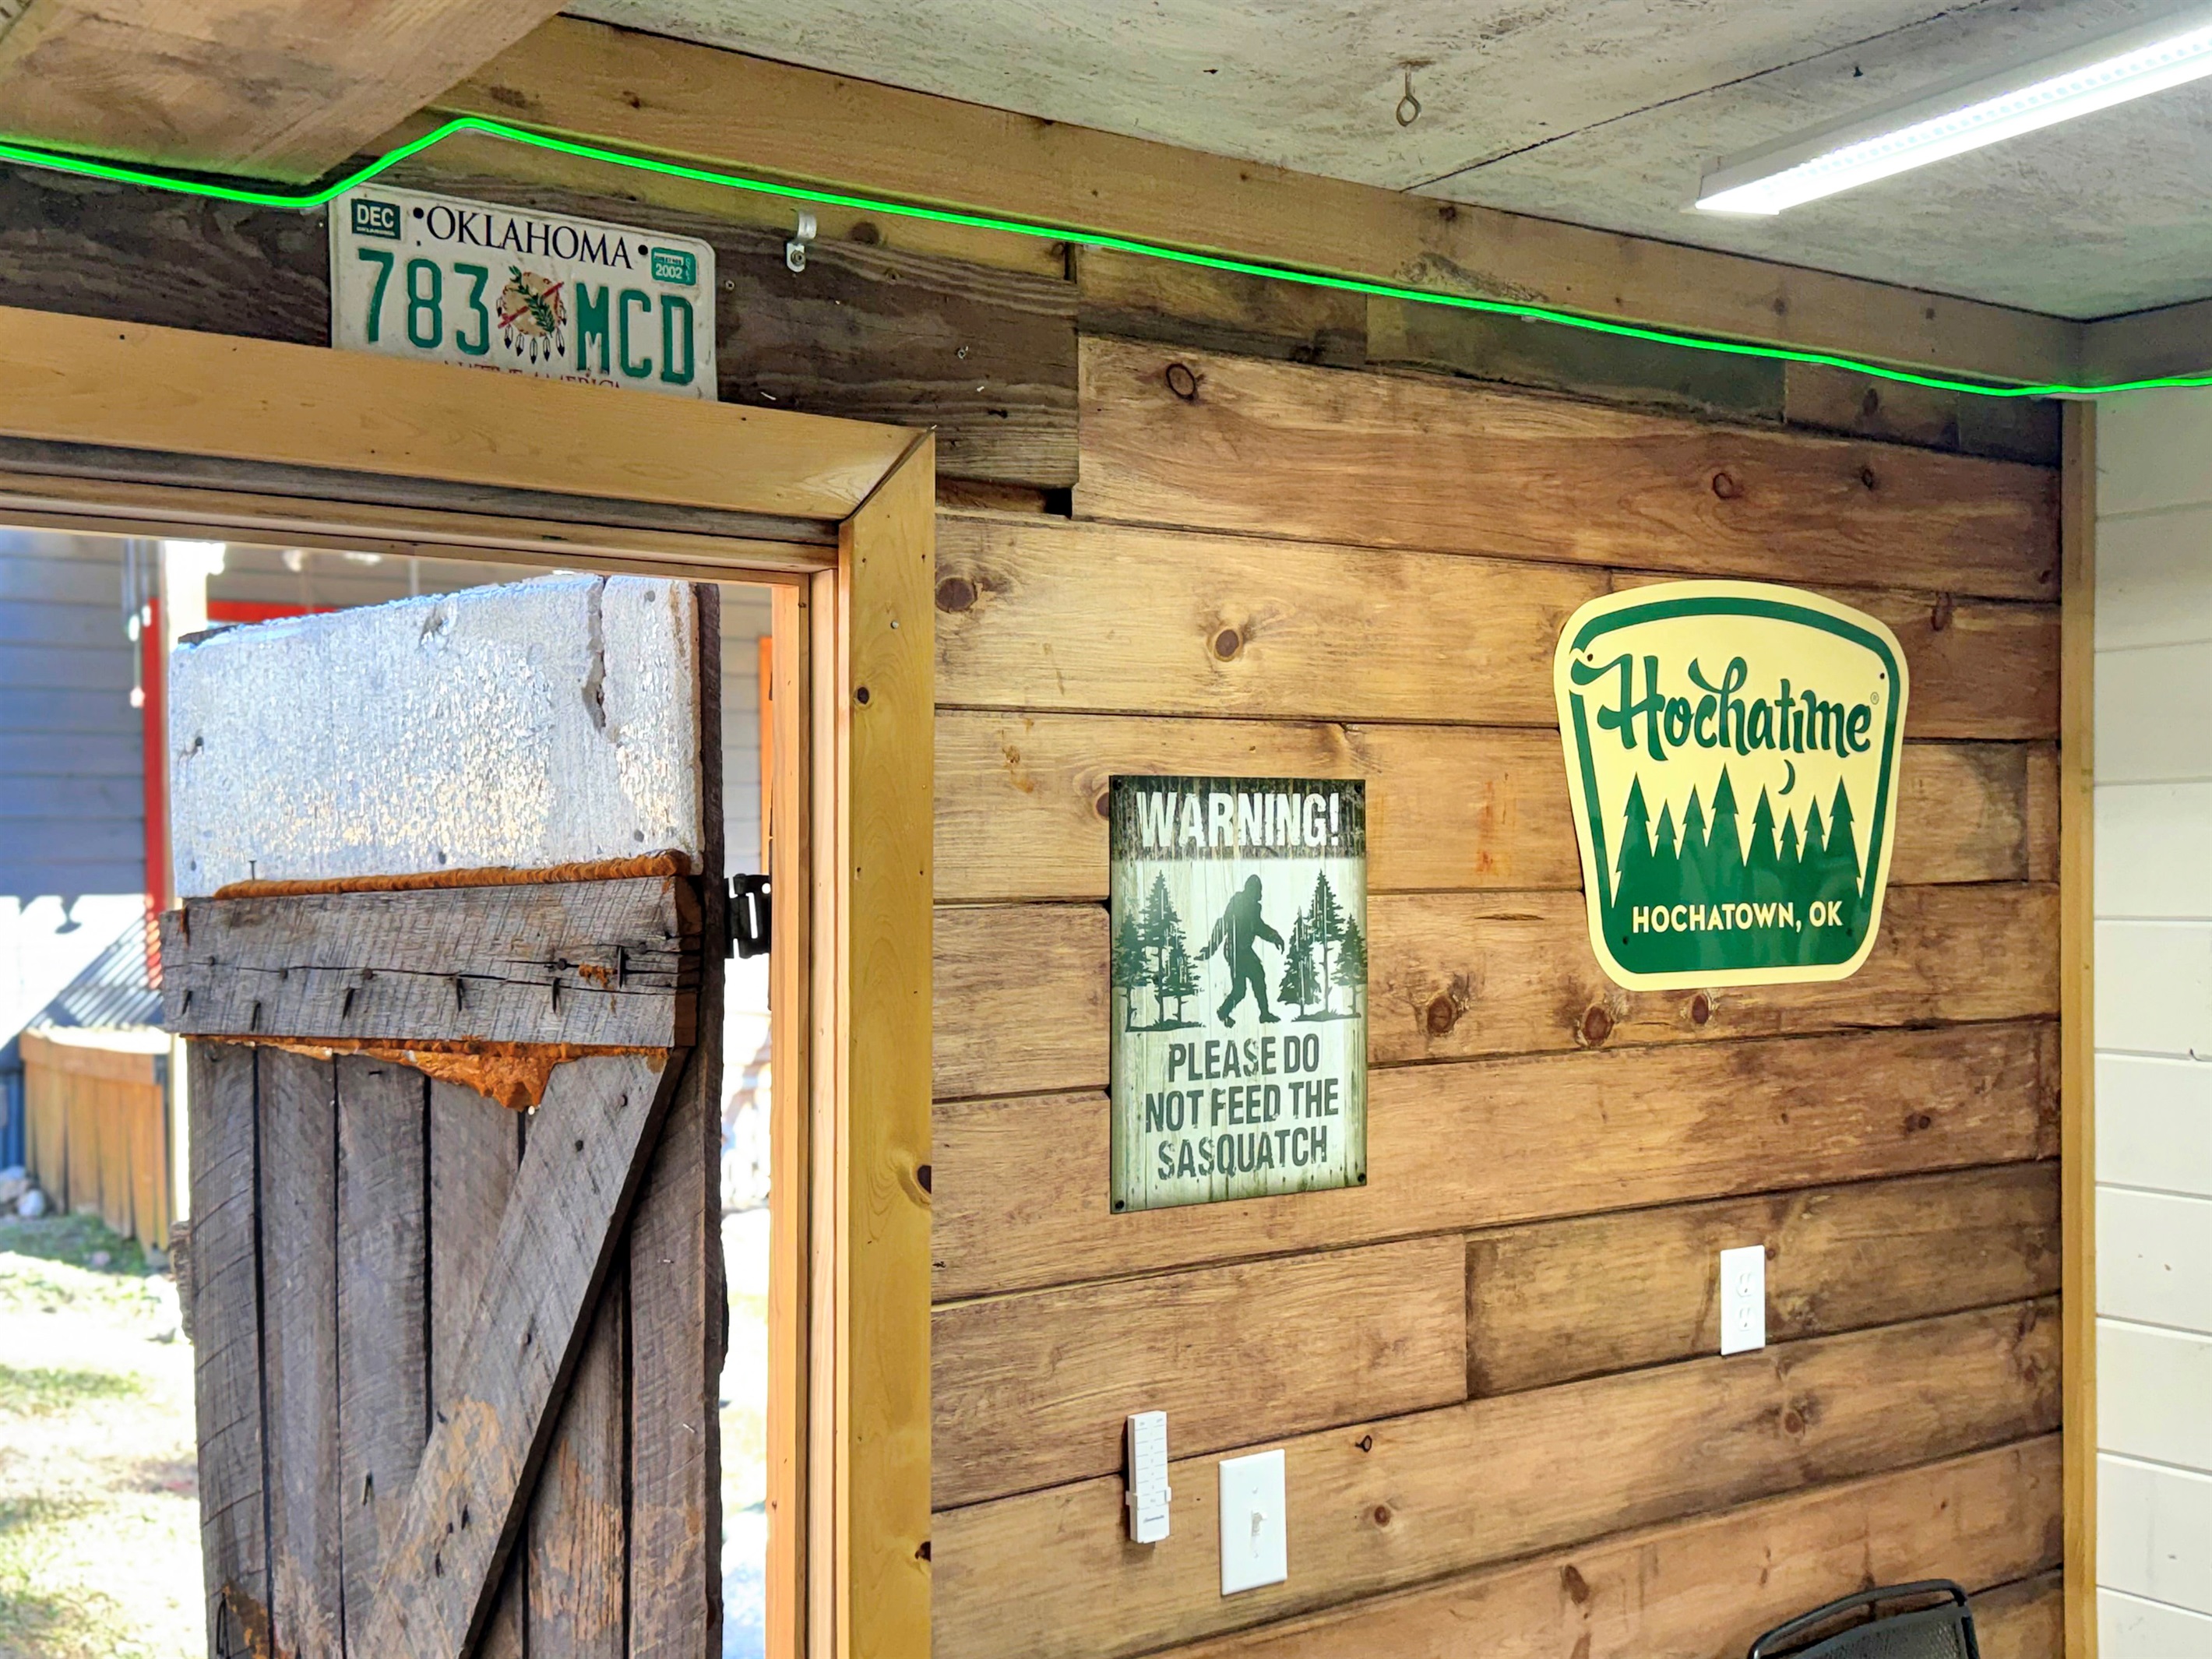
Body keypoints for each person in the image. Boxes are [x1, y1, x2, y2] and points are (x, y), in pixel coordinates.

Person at [1196, 873, 1282, 1027]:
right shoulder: (1238, 903)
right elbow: (1222, 925)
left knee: (1247, 985)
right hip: (1234, 951)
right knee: (1250, 981)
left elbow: (1258, 927)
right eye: (1258, 891)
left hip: (1244, 950)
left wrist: (1274, 936)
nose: (1260, 895)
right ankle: (1257, 1013)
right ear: (1251, 890)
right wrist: (1210, 949)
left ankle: (1233, 1013)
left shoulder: (1255, 908)